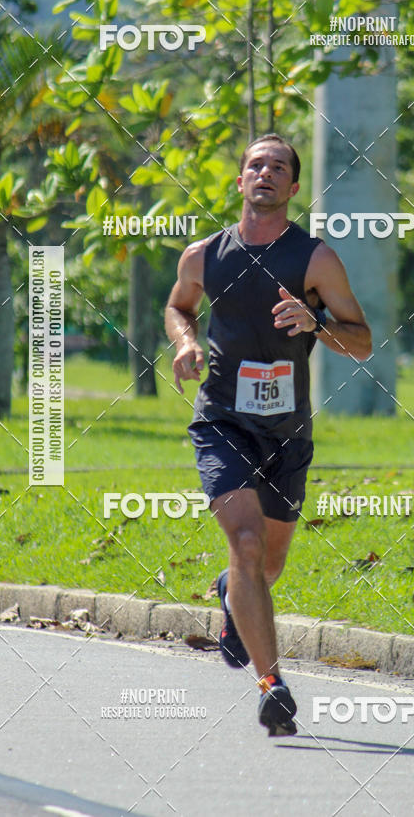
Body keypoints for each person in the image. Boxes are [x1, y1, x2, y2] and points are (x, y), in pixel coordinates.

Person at [165, 133, 372, 735]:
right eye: (256, 164)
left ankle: (233, 593)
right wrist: (186, 341)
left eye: (279, 166)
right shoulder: (203, 255)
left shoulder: (315, 260)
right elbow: (179, 306)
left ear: (293, 187)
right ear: (239, 180)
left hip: (288, 432)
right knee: (248, 542)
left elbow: (361, 340)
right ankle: (271, 684)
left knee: (266, 566)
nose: (266, 173)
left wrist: (318, 322)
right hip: (222, 422)